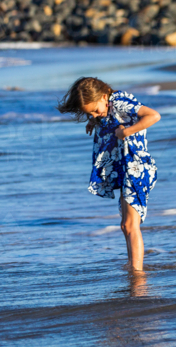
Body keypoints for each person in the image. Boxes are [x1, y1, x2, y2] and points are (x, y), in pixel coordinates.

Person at [57, 77, 160, 272]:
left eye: (96, 110)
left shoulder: (120, 101)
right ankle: (132, 266)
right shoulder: (105, 108)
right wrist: (95, 121)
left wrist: (127, 132)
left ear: (104, 96)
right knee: (125, 225)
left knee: (130, 225)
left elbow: (154, 116)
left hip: (136, 167)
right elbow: (107, 117)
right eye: (90, 113)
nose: (96, 114)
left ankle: (137, 276)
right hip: (125, 169)